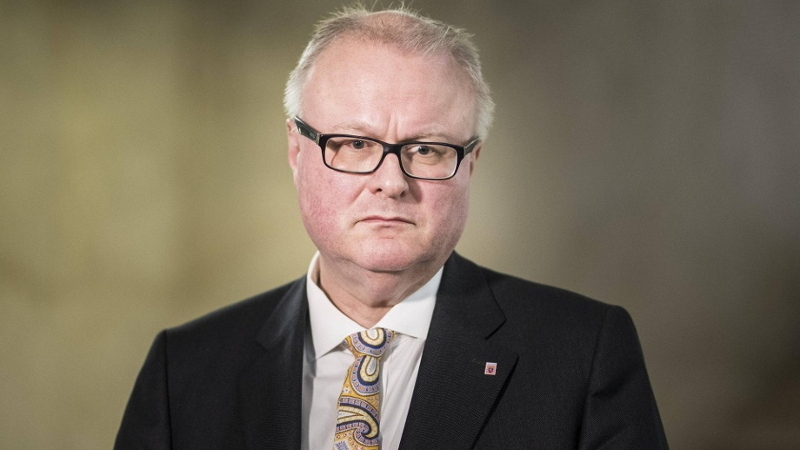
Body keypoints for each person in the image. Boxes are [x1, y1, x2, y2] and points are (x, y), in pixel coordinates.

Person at [115, 6, 668, 450]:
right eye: (355, 143)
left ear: (471, 163)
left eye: (426, 149)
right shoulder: (182, 372)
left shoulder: (582, 356)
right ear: (296, 150)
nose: (391, 182)